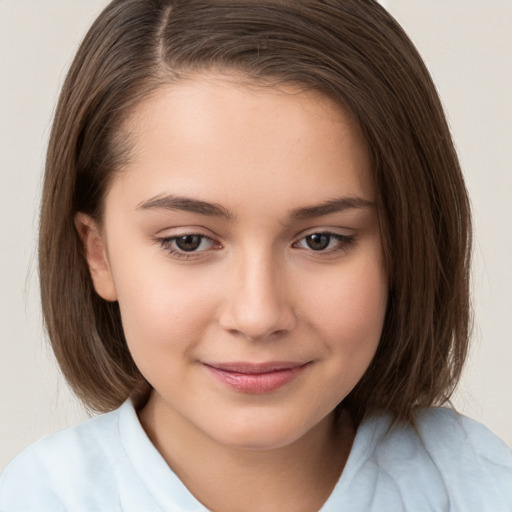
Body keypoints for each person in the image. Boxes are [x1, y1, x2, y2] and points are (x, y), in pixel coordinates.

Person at [0, 0, 510, 510]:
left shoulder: (480, 488)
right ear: (99, 255)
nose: (258, 315)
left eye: (321, 240)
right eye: (188, 241)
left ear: (406, 246)